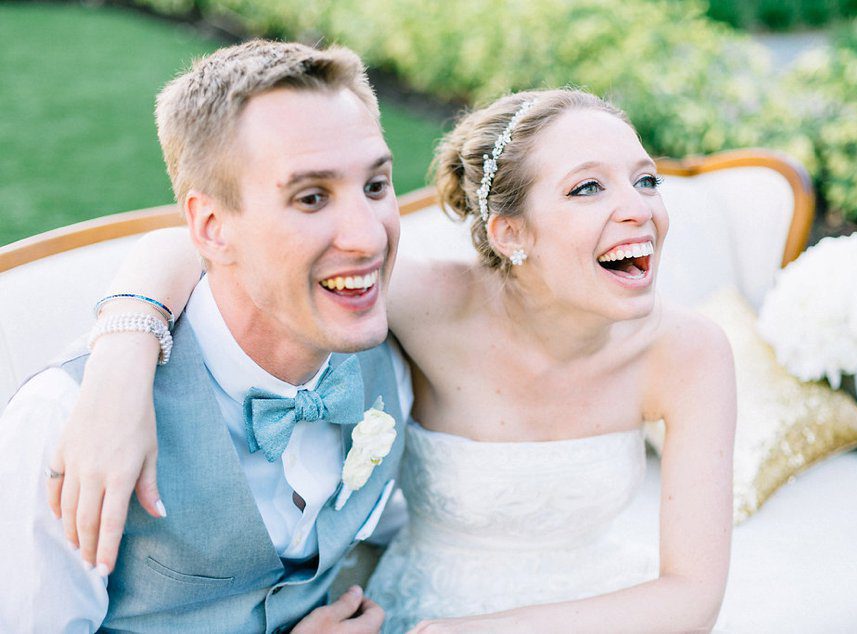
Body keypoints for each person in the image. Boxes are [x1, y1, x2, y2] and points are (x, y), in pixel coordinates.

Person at [46, 88, 737, 632]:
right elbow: (201, 251)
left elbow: (693, 597)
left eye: (645, 181)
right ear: (510, 232)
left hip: (591, 614)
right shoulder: (424, 303)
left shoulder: (691, 353)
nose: (639, 210)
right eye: (589, 188)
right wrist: (119, 372)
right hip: (416, 602)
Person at [0, 40, 414, 633]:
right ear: (213, 228)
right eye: (312, 197)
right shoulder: (63, 424)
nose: (369, 237)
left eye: (376, 186)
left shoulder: (395, 354)